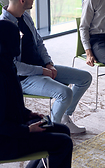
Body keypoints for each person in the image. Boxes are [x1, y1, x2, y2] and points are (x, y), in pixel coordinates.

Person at [0, 0, 92, 134]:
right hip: (24, 79)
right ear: (22, 0)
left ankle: (65, 118)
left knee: (84, 78)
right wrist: (41, 71)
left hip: (42, 68)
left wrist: (48, 64)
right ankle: (53, 131)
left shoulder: (26, 17)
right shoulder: (5, 27)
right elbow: (13, 66)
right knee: (65, 93)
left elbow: (39, 43)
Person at [0, 20, 73, 168]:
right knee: (63, 143)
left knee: (64, 130)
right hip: (5, 141)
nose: (20, 41)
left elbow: (11, 104)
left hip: (14, 126)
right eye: (18, 37)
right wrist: (27, 130)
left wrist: (28, 114)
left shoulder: (7, 63)